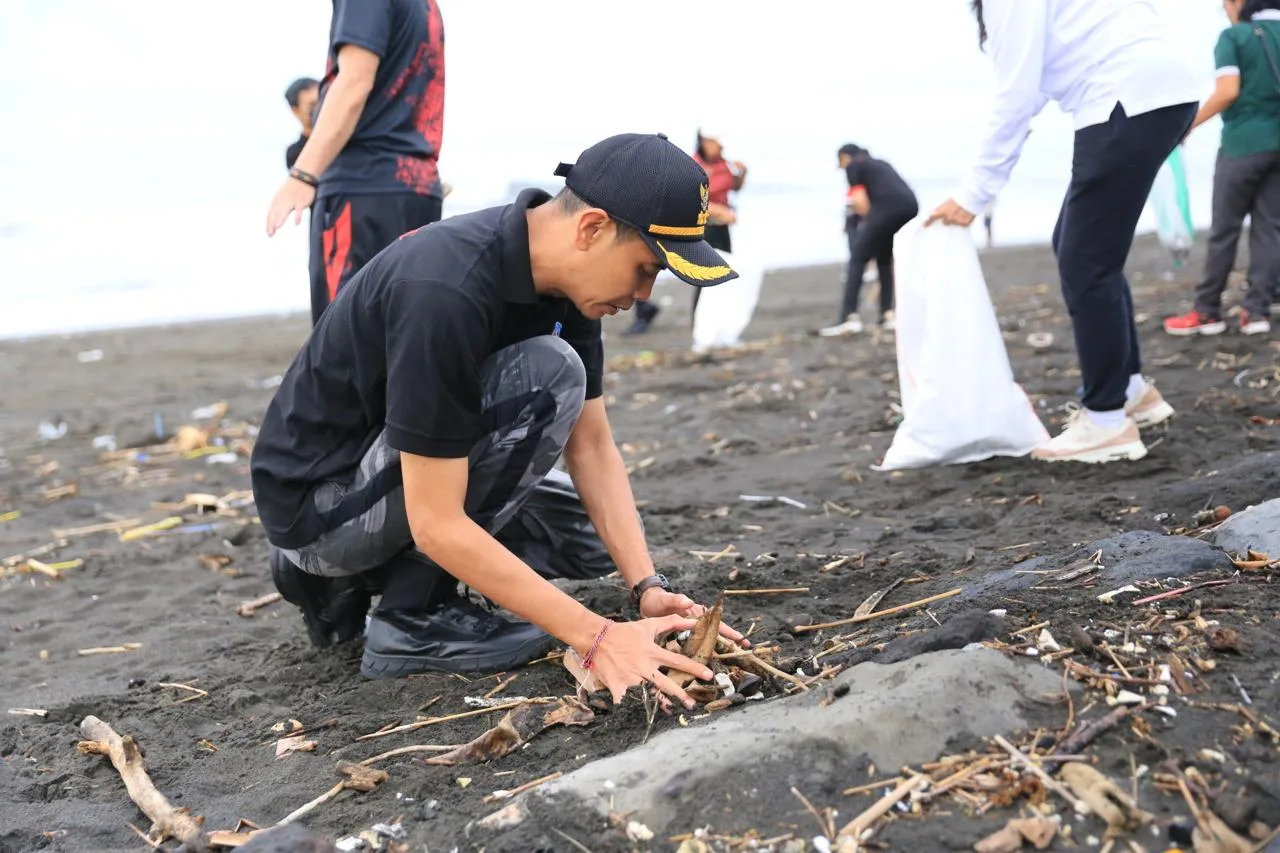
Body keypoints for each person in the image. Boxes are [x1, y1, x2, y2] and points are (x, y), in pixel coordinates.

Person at [250, 132, 749, 707]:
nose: (641, 294)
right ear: (592, 229)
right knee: (551, 374)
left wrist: (646, 587)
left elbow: (591, 447)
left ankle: (350, 583)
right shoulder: (446, 288)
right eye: (645, 268)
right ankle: (411, 617)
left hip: (397, 478)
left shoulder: (566, 281)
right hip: (321, 511)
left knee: (589, 542)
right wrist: (597, 638)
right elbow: (436, 522)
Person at [927, 0, 1200, 464]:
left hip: (1123, 96)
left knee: (1086, 261)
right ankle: (1130, 391)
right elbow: (1029, 90)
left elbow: (1014, 97)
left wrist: (974, 195)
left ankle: (1107, 423)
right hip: (1159, 91)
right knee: (1084, 248)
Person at [265, 0, 448, 328]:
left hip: (363, 191)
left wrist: (303, 175)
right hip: (416, 187)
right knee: (405, 338)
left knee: (342, 340)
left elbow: (355, 81)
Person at [1165, 0, 1280, 338]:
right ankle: (1256, 312)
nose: (1224, 10)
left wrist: (1185, 127)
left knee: (1224, 229)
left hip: (1242, 146)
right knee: (1269, 228)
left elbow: (1227, 91)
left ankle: (1206, 311)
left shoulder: (1234, 37)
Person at [626, 129, 747, 335]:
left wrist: (742, 174)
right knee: (654, 262)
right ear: (705, 141)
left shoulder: (724, 164)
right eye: (718, 144)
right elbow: (688, 196)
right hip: (696, 226)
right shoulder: (692, 165)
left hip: (720, 229)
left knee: (715, 274)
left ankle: (706, 321)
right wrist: (718, 211)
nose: (721, 148)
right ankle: (645, 308)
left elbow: (731, 188)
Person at [819, 144, 919, 336]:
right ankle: (887, 314)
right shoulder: (879, 163)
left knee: (858, 256)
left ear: (844, 157)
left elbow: (861, 201)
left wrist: (864, 228)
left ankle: (849, 317)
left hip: (886, 209)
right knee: (883, 258)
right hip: (909, 206)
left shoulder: (854, 165)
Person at [284, 77, 320, 170]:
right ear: (295, 111)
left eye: (322, 101)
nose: (320, 108)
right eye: (312, 106)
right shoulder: (296, 153)